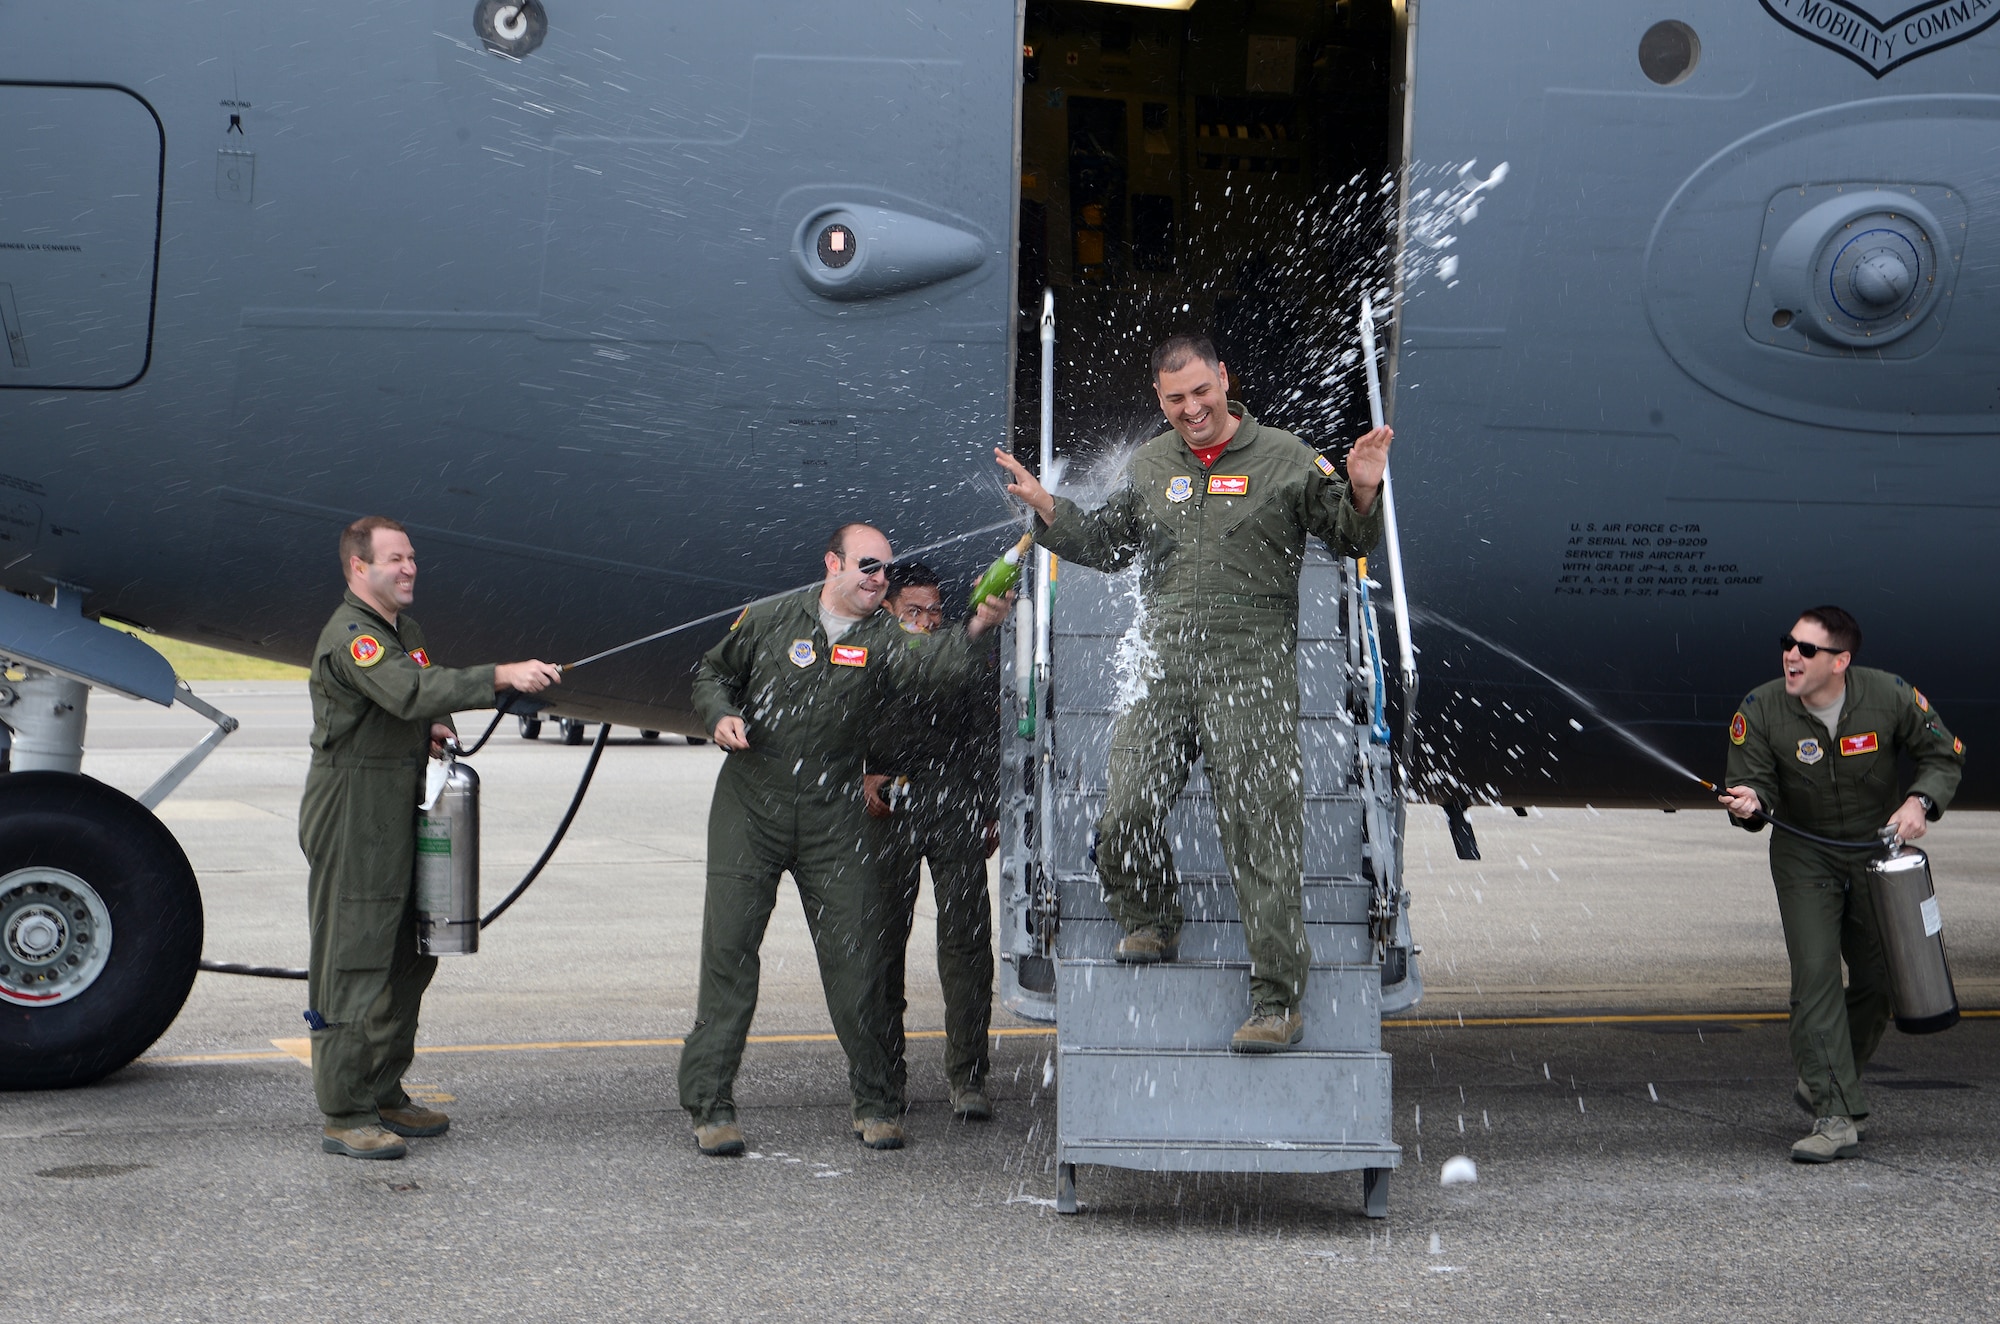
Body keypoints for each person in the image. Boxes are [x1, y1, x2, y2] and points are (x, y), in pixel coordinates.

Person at [992, 333, 1391, 1052]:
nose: (1192, 409)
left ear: (1224, 381)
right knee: (1124, 810)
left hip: (1252, 668)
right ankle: (1151, 915)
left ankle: (1276, 1000)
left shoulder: (1286, 457)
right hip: (1165, 662)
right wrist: (1049, 506)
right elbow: (1112, 544)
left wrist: (1362, 486)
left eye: (1201, 392)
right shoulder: (1151, 465)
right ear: (1160, 399)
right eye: (1175, 398)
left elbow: (1346, 535)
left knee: (1260, 833)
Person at [682, 524, 1011, 1156]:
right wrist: (719, 714)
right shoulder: (773, 617)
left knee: (858, 960)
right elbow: (711, 674)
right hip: (753, 802)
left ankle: (877, 1101)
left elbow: (931, 662)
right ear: (832, 563)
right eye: (866, 565)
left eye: (883, 570)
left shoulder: (885, 637)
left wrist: (973, 628)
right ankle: (710, 1104)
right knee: (729, 955)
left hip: (835, 811)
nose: (876, 577)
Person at [302, 516, 563, 1160]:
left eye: (413, 557)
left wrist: (435, 727)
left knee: (410, 957)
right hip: (354, 810)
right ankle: (344, 1111)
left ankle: (384, 1090)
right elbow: (408, 687)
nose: (410, 567)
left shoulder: (403, 631)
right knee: (354, 959)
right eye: (395, 558)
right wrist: (502, 674)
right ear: (359, 568)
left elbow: (419, 699)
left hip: (403, 803)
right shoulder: (353, 637)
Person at [1718, 606, 1963, 1163]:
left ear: (1841, 661)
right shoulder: (1760, 708)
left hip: (1876, 850)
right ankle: (1833, 1114)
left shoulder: (1891, 696)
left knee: (1882, 977)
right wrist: (1750, 804)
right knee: (1816, 974)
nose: (1791, 655)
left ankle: (1826, 1077)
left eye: (1807, 649)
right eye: (1788, 643)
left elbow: (1943, 754)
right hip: (1805, 853)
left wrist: (1919, 801)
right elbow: (1750, 787)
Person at [863, 561, 1002, 1121]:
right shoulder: (871, 652)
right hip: (889, 804)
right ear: (890, 611)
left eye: (934, 613)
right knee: (882, 945)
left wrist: (990, 807)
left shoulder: (958, 654)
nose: (925, 622)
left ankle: (968, 1077)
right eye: (913, 612)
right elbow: (838, 720)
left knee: (968, 945)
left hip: (954, 802)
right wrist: (860, 772)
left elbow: (986, 727)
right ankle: (885, 1079)